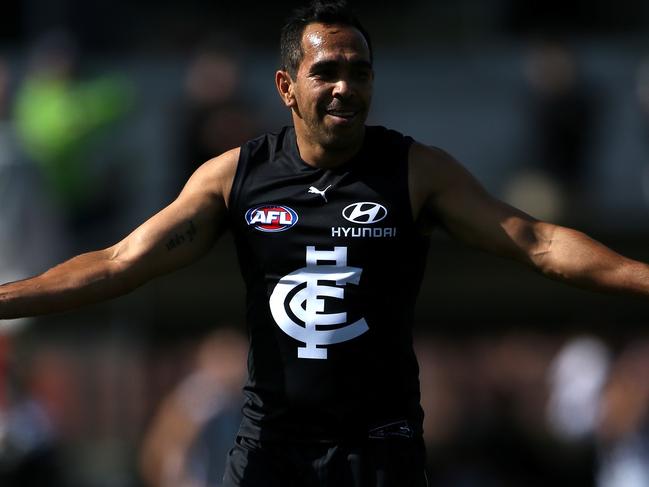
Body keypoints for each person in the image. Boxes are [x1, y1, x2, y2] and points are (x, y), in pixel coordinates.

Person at [1, 1, 648, 485]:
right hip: (271, 450)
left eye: (359, 71)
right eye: (327, 71)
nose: (345, 85)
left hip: (380, 449)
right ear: (287, 86)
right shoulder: (236, 177)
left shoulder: (414, 171)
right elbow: (120, 262)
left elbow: (536, 241)